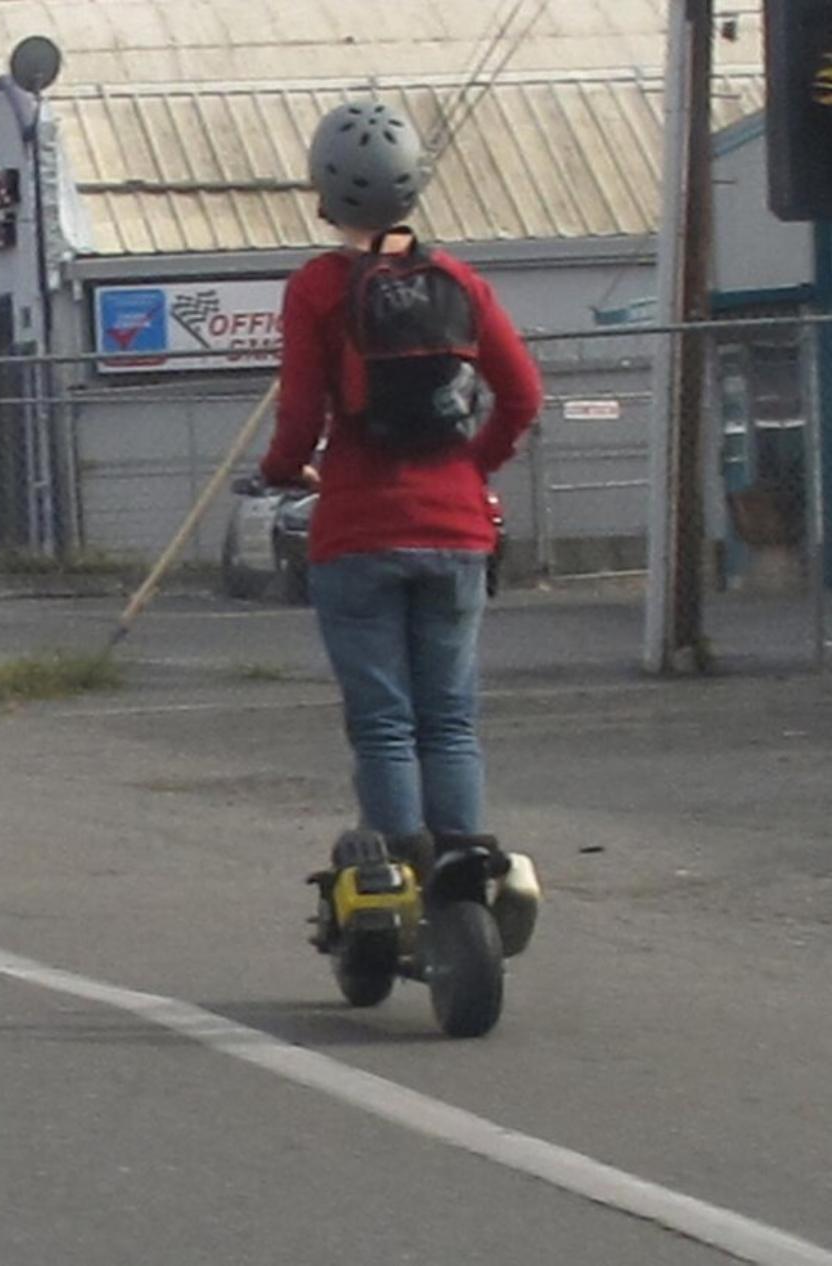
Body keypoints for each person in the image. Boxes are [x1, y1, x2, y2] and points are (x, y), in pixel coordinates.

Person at [258, 101, 542, 864]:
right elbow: (523, 397)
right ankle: (463, 862)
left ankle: (402, 866)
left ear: (323, 190)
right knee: (448, 715)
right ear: (414, 186)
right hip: (456, 528)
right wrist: (474, 464)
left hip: (357, 529)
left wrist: (280, 471)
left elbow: (300, 412)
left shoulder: (317, 288)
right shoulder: (458, 281)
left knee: (383, 718)